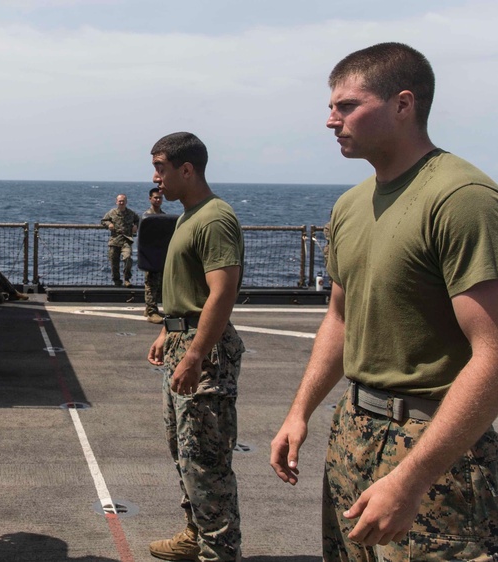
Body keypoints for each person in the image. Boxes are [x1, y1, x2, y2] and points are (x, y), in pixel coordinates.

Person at [270, 42, 498, 559]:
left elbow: (494, 352)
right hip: (354, 430)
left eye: (347, 105)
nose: (331, 120)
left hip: (434, 446)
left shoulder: (462, 199)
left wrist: (412, 479)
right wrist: (299, 411)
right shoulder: (351, 205)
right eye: (331, 106)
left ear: (403, 104)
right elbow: (340, 318)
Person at [146, 132, 245, 561]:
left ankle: (219, 552)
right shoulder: (189, 215)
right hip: (182, 340)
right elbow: (190, 292)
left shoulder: (214, 218)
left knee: (206, 460)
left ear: (187, 169)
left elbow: (222, 294)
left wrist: (193, 354)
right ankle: (196, 533)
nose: (155, 179)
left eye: (161, 168)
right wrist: (169, 331)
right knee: (184, 453)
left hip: (205, 353)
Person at [139, 187, 178, 324]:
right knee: (151, 283)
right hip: (150, 255)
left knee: (160, 283)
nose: (158, 200)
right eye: (155, 197)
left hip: (160, 255)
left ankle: (150, 307)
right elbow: (143, 238)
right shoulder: (146, 217)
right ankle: (151, 311)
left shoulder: (164, 216)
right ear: (150, 199)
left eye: (160, 198)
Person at [100, 194, 140, 287]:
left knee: (127, 258)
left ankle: (127, 279)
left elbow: (138, 220)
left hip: (127, 240)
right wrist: (108, 224)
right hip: (115, 240)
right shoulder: (111, 213)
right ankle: (117, 281)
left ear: (126, 202)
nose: (121, 203)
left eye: (123, 201)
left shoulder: (131, 213)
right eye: (120, 201)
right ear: (116, 202)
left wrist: (135, 226)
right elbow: (103, 220)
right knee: (114, 262)